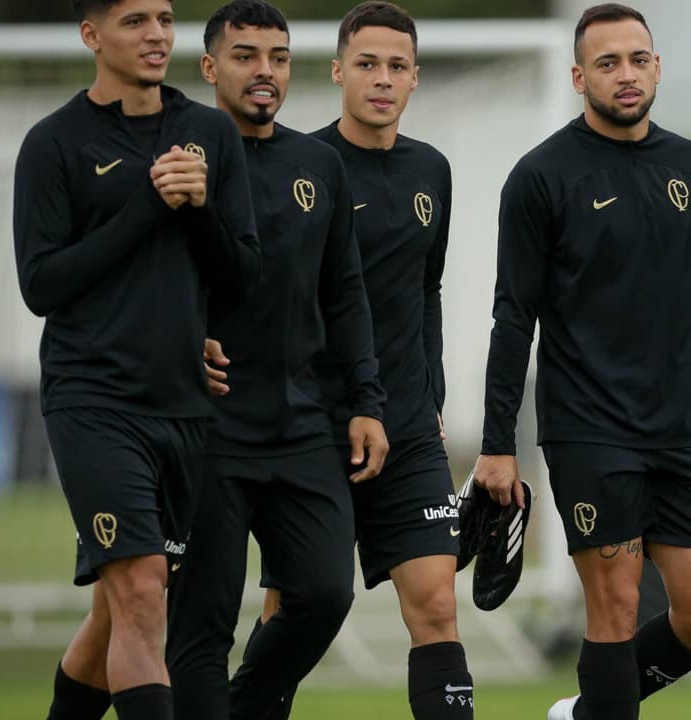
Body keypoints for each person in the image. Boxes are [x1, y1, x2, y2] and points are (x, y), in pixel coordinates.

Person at [471, 4, 691, 719]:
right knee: (617, 605)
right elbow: (514, 317)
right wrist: (496, 445)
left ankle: (584, 712)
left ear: (657, 67)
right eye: (608, 63)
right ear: (580, 77)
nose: (626, 74)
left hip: (678, 432)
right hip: (587, 429)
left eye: (638, 59)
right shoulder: (541, 177)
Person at [12, 1, 260, 719]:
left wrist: (200, 207)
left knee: (124, 608)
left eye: (165, 17)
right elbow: (42, 285)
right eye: (134, 21)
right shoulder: (54, 143)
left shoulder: (209, 132)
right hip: (92, 400)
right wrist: (149, 205)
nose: (156, 35)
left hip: (184, 401)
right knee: (142, 589)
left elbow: (243, 275)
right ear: (92, 35)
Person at [163, 3, 388, 719]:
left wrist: (366, 401)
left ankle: (244, 706)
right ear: (209, 68)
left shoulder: (317, 164)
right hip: (205, 431)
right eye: (246, 55)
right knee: (200, 623)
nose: (265, 71)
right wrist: (178, 340)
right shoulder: (173, 157)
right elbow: (132, 284)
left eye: (279, 56)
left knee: (326, 591)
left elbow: (346, 293)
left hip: (301, 426)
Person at [252, 3, 474, 718]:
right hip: (314, 426)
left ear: (415, 79)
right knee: (294, 605)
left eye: (397, 66)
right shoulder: (300, 166)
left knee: (437, 604)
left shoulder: (432, 171)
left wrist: (430, 397)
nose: (383, 79)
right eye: (368, 64)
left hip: (407, 427)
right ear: (338, 70)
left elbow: (426, 289)